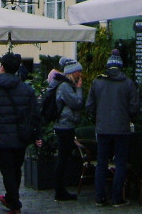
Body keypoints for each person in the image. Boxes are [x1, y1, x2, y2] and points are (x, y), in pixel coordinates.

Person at [0, 52, 38, 214]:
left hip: (1, 136)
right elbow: (34, 114)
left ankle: (14, 203)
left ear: (2, 67)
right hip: (20, 135)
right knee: (16, 169)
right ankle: (12, 199)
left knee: (7, 171)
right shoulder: (26, 89)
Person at [85, 49, 140, 207]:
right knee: (120, 162)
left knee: (101, 162)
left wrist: (99, 116)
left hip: (102, 128)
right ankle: (117, 198)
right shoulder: (128, 83)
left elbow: (89, 106)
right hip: (121, 129)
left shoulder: (97, 82)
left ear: (108, 66)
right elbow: (134, 108)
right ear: (120, 67)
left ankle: (100, 197)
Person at [50, 57, 84, 202]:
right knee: (62, 159)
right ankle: (60, 191)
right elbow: (77, 103)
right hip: (64, 126)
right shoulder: (65, 87)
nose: (80, 75)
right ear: (72, 72)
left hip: (64, 125)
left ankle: (60, 190)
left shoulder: (65, 85)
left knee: (63, 158)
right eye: (78, 72)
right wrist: (79, 88)